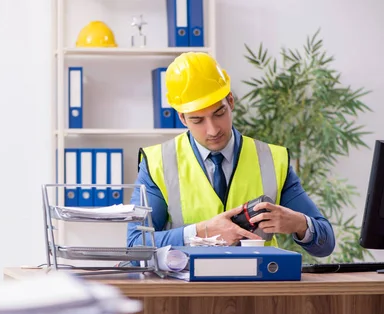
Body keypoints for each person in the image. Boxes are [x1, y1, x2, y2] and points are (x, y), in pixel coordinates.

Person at [127, 52, 335, 258]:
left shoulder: (273, 159)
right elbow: (136, 246)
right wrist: (202, 231)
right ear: (182, 118)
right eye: (198, 120)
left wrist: (299, 223)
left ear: (231, 101)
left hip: (258, 287)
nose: (212, 130)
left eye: (219, 113)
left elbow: (325, 244)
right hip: (188, 289)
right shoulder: (157, 163)